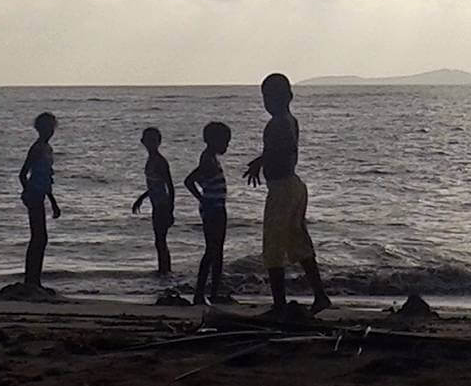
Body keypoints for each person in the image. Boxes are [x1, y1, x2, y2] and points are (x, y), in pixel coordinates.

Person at [245, 73, 330, 316]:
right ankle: (320, 295)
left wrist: (262, 161)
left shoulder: (278, 123)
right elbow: (284, 148)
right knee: (298, 242)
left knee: (273, 246)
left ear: (283, 97)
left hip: (283, 188)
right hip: (292, 186)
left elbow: (283, 149)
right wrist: (261, 161)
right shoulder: (289, 120)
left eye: (269, 97)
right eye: (265, 97)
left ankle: (280, 304)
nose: (266, 102)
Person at [184, 121, 234, 306]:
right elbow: (189, 181)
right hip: (213, 210)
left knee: (217, 251)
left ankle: (213, 292)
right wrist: (202, 199)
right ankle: (200, 293)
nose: (226, 146)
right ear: (214, 141)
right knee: (212, 251)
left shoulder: (211, 158)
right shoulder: (207, 160)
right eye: (225, 142)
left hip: (217, 208)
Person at [18, 112, 61, 294]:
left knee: (41, 238)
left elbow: (47, 177)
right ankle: (31, 280)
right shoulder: (36, 148)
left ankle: (35, 279)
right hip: (34, 195)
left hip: (41, 194)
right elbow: (23, 174)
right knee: (38, 237)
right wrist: (28, 192)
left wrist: (53, 202)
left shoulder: (47, 148)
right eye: (46, 127)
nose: (49, 131)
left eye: (52, 127)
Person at [130, 127, 174, 274]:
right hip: (156, 204)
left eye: (154, 141)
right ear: (143, 142)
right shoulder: (151, 160)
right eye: (148, 140)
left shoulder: (160, 161)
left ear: (159, 142)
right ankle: (163, 270)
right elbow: (155, 185)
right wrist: (141, 198)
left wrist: (170, 210)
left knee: (161, 241)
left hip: (163, 205)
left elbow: (170, 186)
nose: (150, 143)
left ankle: (165, 271)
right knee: (159, 241)